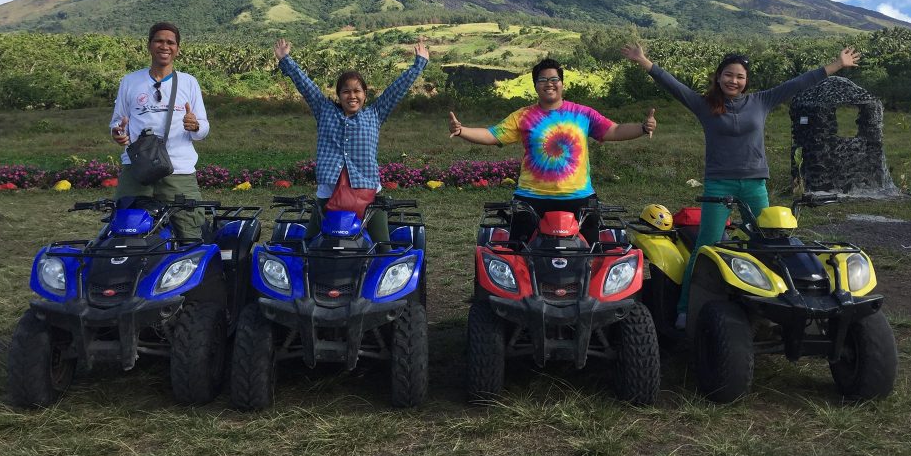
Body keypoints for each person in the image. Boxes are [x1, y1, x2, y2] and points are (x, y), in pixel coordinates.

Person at [621, 43, 860, 328]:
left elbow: (800, 82)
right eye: (728, 75)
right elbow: (673, 85)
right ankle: (685, 309)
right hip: (718, 185)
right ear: (718, 76)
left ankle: (771, 306)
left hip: (755, 185)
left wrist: (837, 64)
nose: (733, 81)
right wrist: (643, 61)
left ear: (746, 81)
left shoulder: (762, 101)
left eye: (739, 76)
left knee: (770, 242)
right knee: (707, 245)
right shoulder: (704, 105)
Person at [448, 58, 657, 243]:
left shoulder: (583, 114)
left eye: (554, 79)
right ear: (535, 86)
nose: (549, 83)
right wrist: (461, 130)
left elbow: (614, 130)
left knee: (591, 254)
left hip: (580, 198)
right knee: (519, 253)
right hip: (531, 197)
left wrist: (642, 128)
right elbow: (492, 135)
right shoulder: (523, 116)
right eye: (542, 80)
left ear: (562, 83)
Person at [275, 37, 428, 244]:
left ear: (365, 94)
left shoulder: (375, 113)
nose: (352, 96)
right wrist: (285, 59)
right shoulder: (325, 110)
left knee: (383, 245)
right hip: (329, 192)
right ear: (339, 95)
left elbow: (396, 90)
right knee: (310, 244)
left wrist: (419, 64)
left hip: (369, 193)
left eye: (357, 91)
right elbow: (305, 85)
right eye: (346, 91)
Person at [110, 22, 210, 240]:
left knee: (189, 232)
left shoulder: (189, 83)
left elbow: (203, 129)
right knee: (125, 229)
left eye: (170, 42)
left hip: (178, 170)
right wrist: (118, 133)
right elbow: (117, 121)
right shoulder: (130, 81)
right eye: (159, 41)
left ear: (177, 49)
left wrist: (195, 126)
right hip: (136, 168)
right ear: (149, 45)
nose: (164, 46)